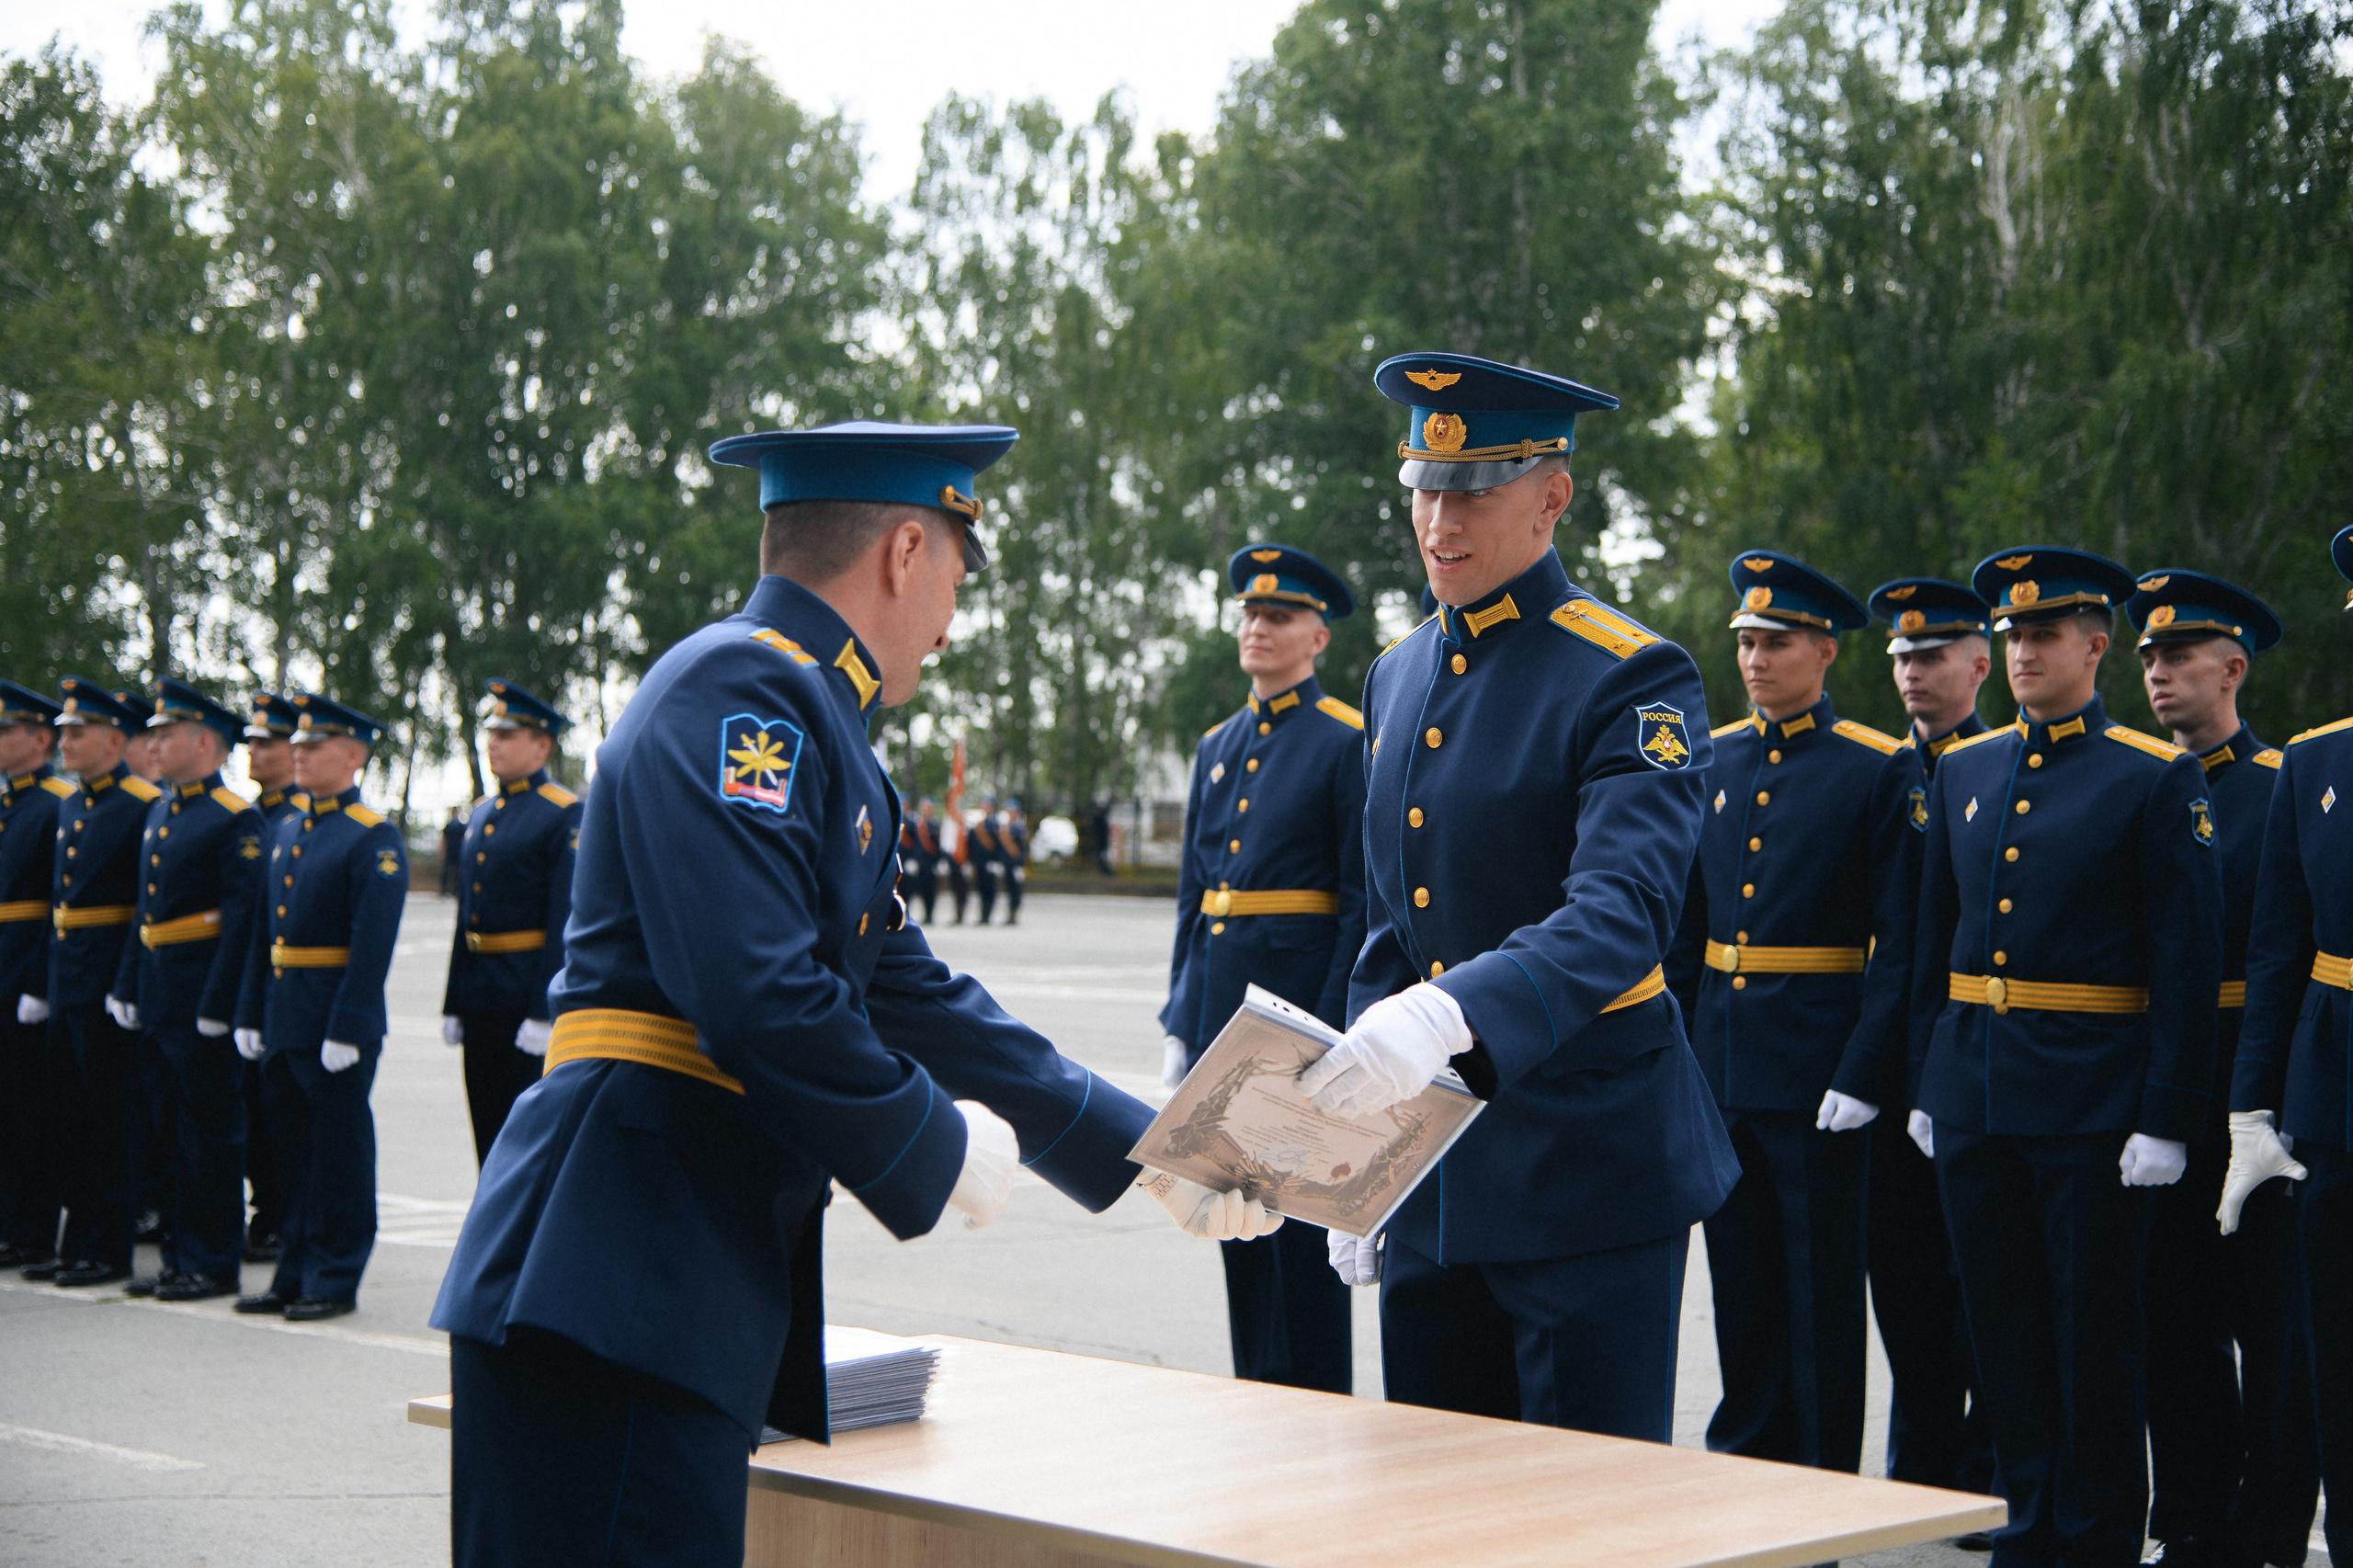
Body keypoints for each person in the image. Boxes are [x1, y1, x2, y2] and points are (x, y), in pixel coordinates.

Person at [428, 420, 1277, 1568]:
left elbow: (908, 994)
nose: (951, 621)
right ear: (905, 550)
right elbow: (755, 990)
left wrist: (1156, 1150)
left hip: (660, 1269)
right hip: (621, 1259)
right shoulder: (744, 687)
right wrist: (930, 1138)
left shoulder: (817, 717)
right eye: (957, 580)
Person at [1309, 351, 1738, 1440]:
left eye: (1473, 490)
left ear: (1551, 496)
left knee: (1582, 1507)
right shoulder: (1398, 671)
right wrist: (1358, 1163)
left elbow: (1622, 911)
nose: (1438, 519)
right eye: (1423, 487)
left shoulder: (1629, 673)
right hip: (1436, 1172)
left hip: (1584, 1168)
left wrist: (1448, 1012)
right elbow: (1392, 928)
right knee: (1435, 1495)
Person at [1908, 547, 2219, 1568]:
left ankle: (2093, 1541)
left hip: (2093, 1106)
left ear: (2095, 647)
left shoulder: (2154, 775)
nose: (2023, 652)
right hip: (1975, 1096)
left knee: (2093, 1345)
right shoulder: (1964, 769)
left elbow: (2184, 962)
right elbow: (1934, 945)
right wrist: (1927, 1081)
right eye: (2012, 636)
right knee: (2001, 1338)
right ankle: (2026, 1529)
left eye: (2044, 635)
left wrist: (2167, 1115)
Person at [1664, 551, 1906, 1474]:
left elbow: (1901, 944)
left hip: (1818, 1069)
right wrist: (1678, 1051)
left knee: (1819, 1287)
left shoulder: (1874, 767)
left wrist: (1864, 1069)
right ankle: (1745, 1457)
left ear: (1825, 650)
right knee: (1741, 1278)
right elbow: (1686, 932)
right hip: (1724, 1062)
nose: (1756, 660)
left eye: (1777, 643)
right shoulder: (1713, 758)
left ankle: (1820, 1474)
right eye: (1747, 643)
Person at [2125, 569, 2315, 1568]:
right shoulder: (2134, 782)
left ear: (2232, 669)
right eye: (2148, 657)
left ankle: (2272, 1528)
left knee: (2273, 1324)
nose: (2157, 673)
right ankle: (2193, 1519)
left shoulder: (2284, 785)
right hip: (2163, 1088)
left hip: (2261, 1088)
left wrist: (2274, 1100)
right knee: (2173, 1318)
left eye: (2178, 656)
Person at [1161, 543, 1368, 1395]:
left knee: (1301, 1234)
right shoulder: (1218, 744)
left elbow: (1360, 902)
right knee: (1236, 1221)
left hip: (1296, 1026)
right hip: (1222, 1021)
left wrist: (1330, 1031)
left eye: (1279, 616)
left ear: (1317, 636)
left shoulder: (1347, 740)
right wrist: (1180, 1024)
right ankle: (1255, 1395)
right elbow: (1194, 898)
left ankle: (1316, 1407)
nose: (1258, 628)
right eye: (1250, 614)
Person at [2226, 524, 2353, 1568]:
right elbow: (2278, 952)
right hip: (2334, 1095)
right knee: (2336, 1354)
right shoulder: (2314, 762)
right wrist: (2250, 1112)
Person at [1859, 577, 1998, 1506]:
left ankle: (1986, 1463)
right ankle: (1919, 1465)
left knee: (1980, 1280)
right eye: (1902, 657)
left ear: (1978, 665)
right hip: (1885, 1064)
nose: (1913, 671)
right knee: (1903, 1276)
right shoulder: (1879, 769)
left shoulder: (1999, 766)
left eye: (1932, 655)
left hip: (1970, 1059)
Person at [231, 692, 407, 1322]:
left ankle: (334, 1276)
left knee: (337, 1155)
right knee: (291, 1156)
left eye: (314, 744)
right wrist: (250, 1012)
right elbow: (264, 936)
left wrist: (350, 1026)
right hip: (286, 1016)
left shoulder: (371, 836)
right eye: (297, 744)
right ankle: (294, 1272)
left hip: (332, 1020)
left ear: (353, 756)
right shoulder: (287, 829)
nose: (299, 754)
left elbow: (371, 944)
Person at [107, 679, 264, 1301]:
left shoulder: (234, 817)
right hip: (160, 996)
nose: (153, 744)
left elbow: (241, 922)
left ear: (204, 743)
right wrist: (127, 984)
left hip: (200, 1003)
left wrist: (220, 1005)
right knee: (167, 1134)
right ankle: (178, 1256)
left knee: (209, 1136)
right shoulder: (162, 812)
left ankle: (212, 1260)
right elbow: (145, 914)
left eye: (166, 734)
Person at [40, 678, 164, 1287]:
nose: (64, 742)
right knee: (68, 1115)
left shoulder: (143, 804)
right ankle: (76, 1242)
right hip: (68, 977)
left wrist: (125, 984)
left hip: (108, 982)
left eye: (77, 732)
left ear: (115, 740)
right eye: (62, 733)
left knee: (109, 1122)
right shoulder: (71, 804)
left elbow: (143, 907)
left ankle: (107, 1246)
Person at [439, 680, 581, 1164]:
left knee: (527, 1145)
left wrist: (544, 1011)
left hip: (523, 998)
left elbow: (563, 919)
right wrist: (454, 1001)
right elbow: (466, 916)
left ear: (542, 746)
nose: (493, 744)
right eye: (491, 734)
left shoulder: (563, 814)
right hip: (481, 997)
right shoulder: (483, 813)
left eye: (507, 735)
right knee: (486, 1130)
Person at [0, 682, 71, 1272]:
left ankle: (30, 1230)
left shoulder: (56, 803)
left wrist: (40, 984)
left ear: (40, 739)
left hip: (25, 971)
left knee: (29, 1109)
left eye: (6, 730)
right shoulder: (8, 802)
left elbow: (59, 905)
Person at [237, 693, 306, 1263]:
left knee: (279, 1113)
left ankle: (280, 1216)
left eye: (268, 743)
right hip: (246, 982)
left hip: (286, 988)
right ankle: (267, 1209)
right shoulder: (251, 816)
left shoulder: (300, 819)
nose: (254, 752)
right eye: (252, 743)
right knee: (249, 1107)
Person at [902, 797, 942, 924]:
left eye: (929, 807)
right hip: (916, 862)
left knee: (928, 890)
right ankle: (904, 916)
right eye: (924, 806)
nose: (926, 809)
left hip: (929, 863)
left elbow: (939, 845)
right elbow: (911, 844)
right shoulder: (915, 823)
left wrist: (939, 861)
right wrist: (911, 859)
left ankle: (929, 915)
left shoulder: (935, 825)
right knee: (907, 890)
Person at [969, 793, 1001, 924]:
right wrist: (971, 861)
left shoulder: (994, 824)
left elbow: (997, 845)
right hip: (980, 862)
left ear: (991, 807)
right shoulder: (978, 824)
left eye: (987, 804)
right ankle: (983, 915)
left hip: (990, 862)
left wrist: (996, 861)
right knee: (981, 888)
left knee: (989, 889)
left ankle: (987, 915)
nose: (984, 807)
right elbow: (972, 844)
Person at [999, 799, 1028, 925]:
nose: (1011, 813)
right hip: (1007, 864)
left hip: (1016, 865)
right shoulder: (1005, 827)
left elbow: (1022, 848)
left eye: (1013, 810)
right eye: (1009, 810)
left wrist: (1021, 865)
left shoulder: (1020, 828)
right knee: (1009, 890)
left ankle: (1014, 915)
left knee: (1016, 891)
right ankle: (1009, 915)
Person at [439, 806, 465, 897]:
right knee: (446, 871)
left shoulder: (461, 827)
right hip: (449, 851)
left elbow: (464, 839)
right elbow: (444, 839)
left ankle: (455, 891)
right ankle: (443, 890)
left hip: (458, 851)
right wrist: (442, 850)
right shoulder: (448, 826)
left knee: (457, 872)